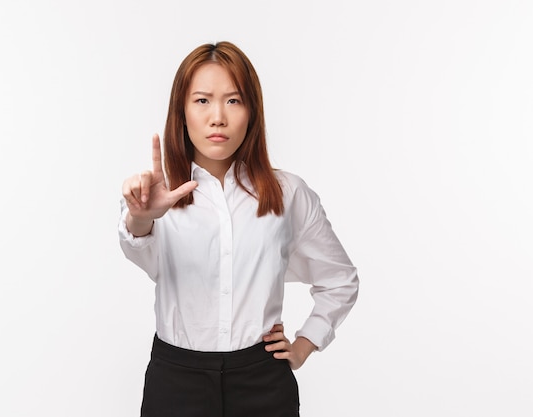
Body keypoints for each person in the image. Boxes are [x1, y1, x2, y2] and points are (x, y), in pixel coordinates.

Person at [118, 41, 359, 417]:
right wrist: (141, 215)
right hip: (176, 381)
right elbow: (140, 250)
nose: (218, 117)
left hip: (262, 381)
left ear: (252, 112)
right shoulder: (154, 195)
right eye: (202, 101)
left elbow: (340, 280)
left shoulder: (287, 193)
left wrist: (304, 343)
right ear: (181, 112)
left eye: (233, 101)